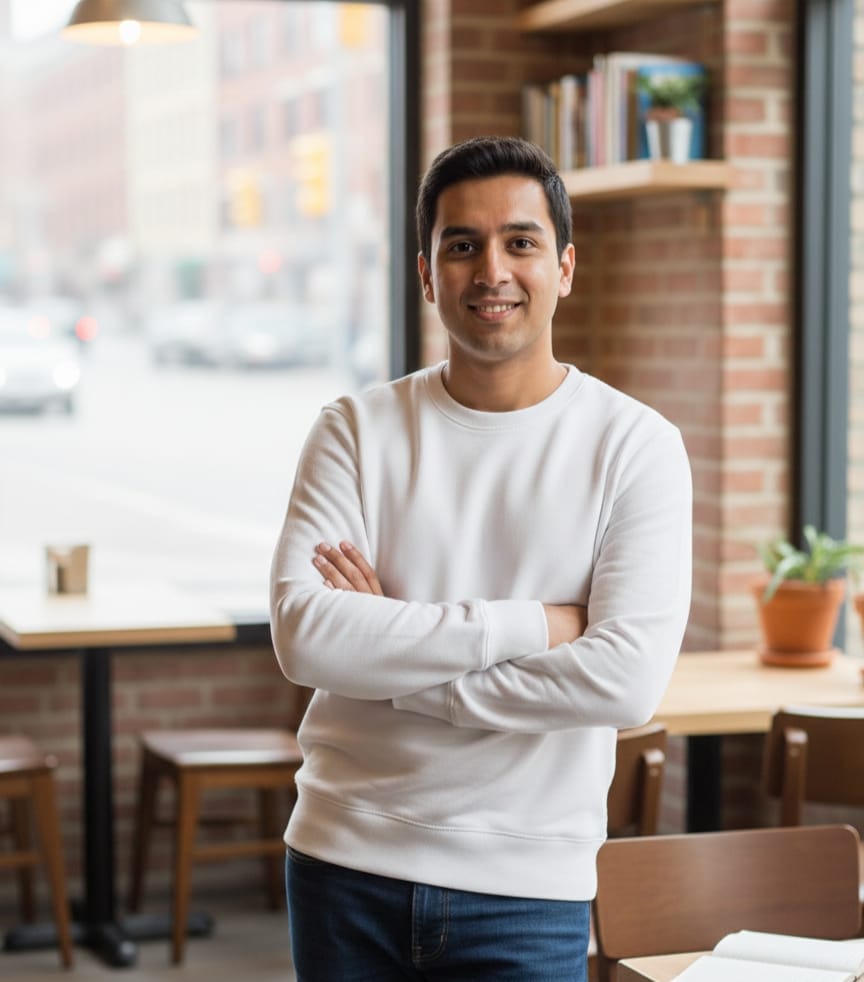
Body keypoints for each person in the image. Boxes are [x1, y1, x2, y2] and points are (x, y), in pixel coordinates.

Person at [269, 135, 692, 981]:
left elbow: (625, 682)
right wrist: (532, 623)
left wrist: (392, 662)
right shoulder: (354, 432)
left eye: (520, 242)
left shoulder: (636, 446)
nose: (490, 269)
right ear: (427, 275)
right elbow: (307, 640)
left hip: (529, 887)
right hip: (344, 862)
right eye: (460, 245)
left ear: (564, 267)